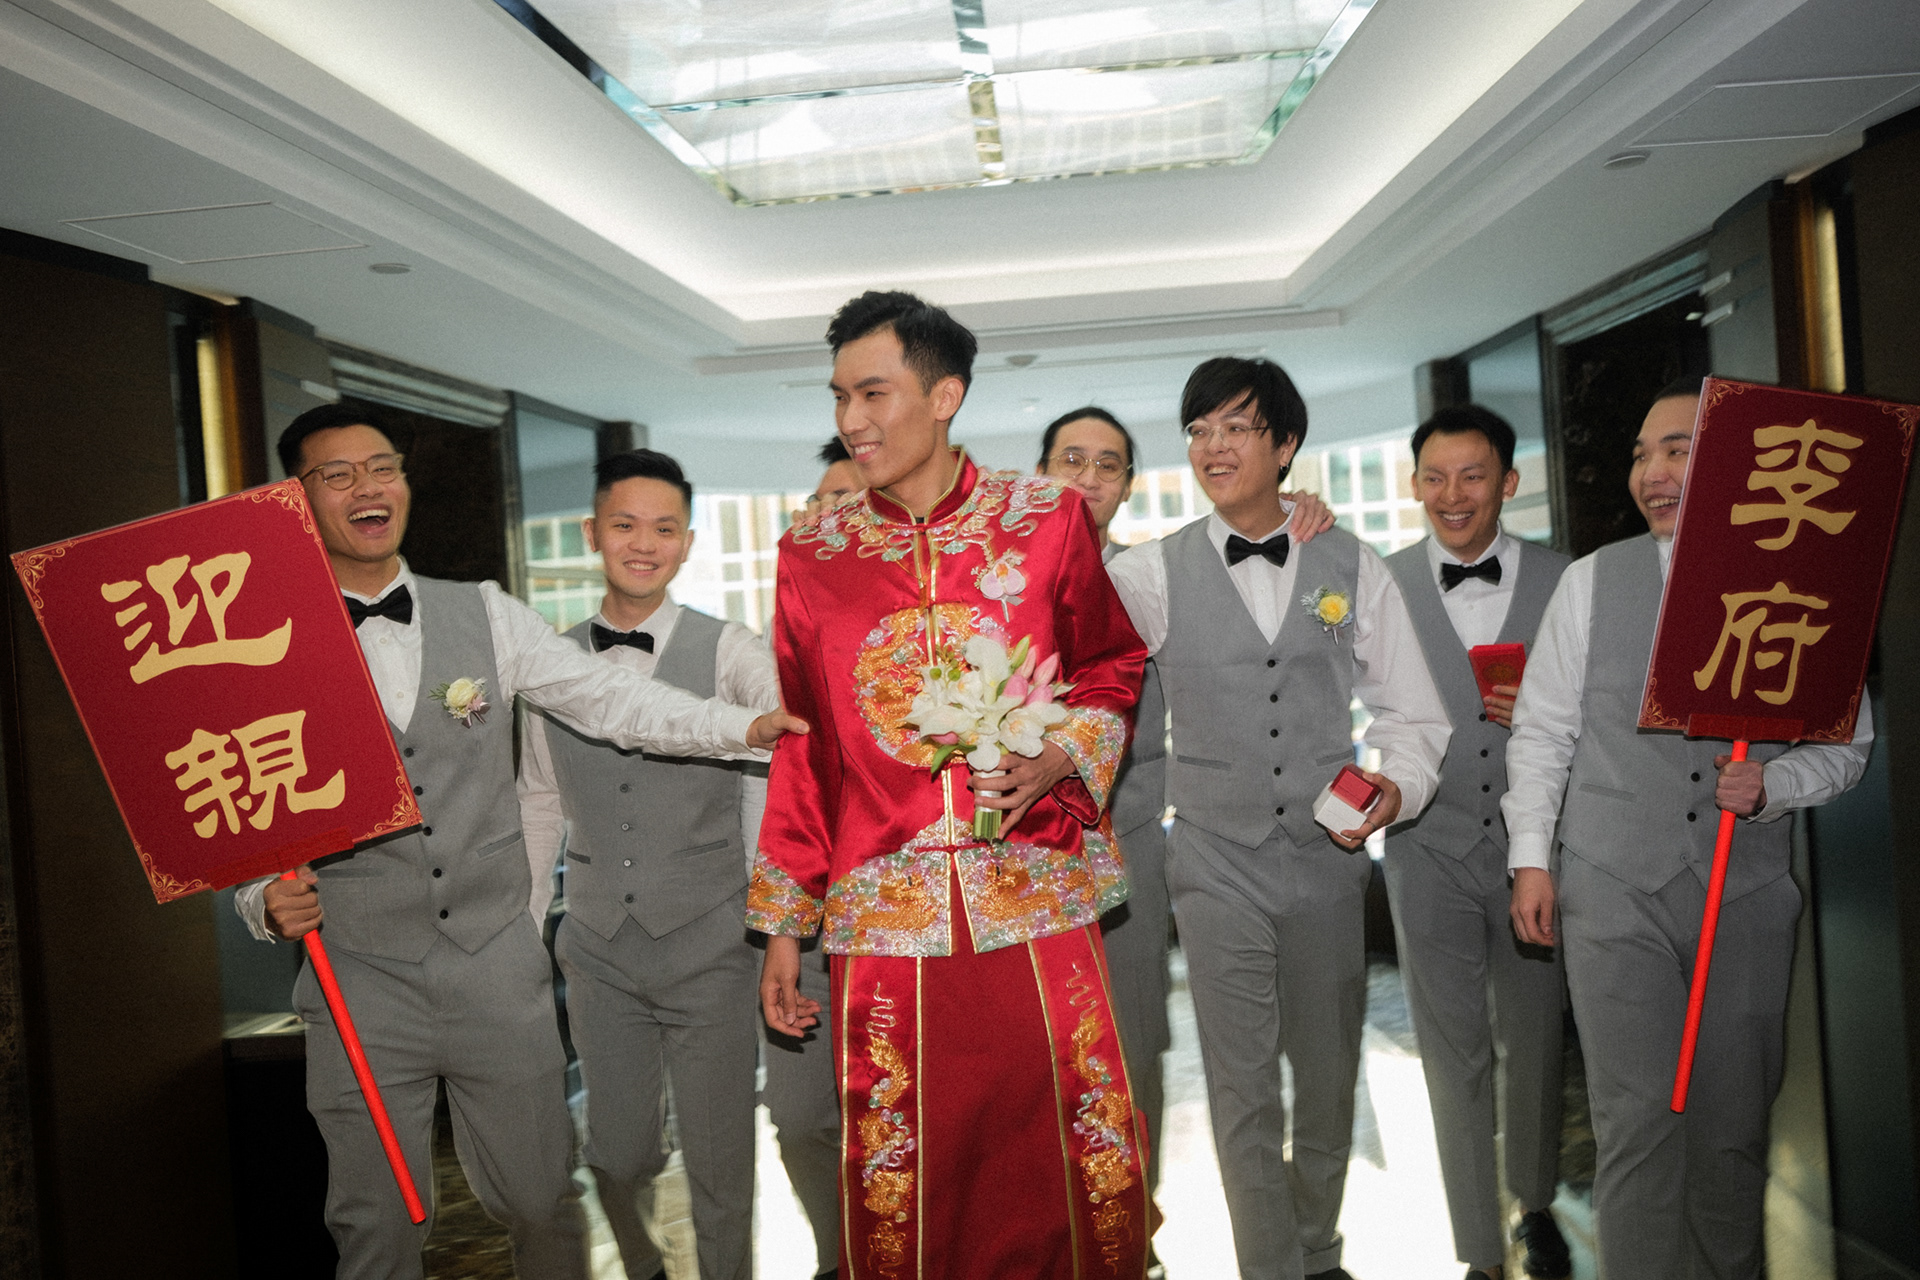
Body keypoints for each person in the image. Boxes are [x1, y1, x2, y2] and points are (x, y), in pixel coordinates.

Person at [235, 404, 801, 1280]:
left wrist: (740, 727)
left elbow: (610, 699)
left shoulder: (487, 614)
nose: (367, 487)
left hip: (494, 971)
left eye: (382, 467)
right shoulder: (254, 645)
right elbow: (225, 816)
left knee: (543, 1205)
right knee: (373, 1225)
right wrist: (258, 903)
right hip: (356, 977)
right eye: (337, 475)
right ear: (296, 499)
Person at [752, 291, 1151, 1279]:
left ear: (944, 395)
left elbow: (1111, 663)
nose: (851, 418)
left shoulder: (1046, 521)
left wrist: (1059, 755)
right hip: (884, 911)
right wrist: (784, 922)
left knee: (1066, 1137)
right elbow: (806, 747)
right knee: (907, 1157)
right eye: (839, 396)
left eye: (873, 392)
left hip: (1035, 891)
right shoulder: (812, 557)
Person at [1503, 377, 1873, 1279]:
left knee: (1731, 1130)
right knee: (1635, 1125)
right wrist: (1531, 860)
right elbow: (1543, 731)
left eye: (1678, 449)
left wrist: (1775, 783)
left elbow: (1848, 746)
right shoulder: (1591, 583)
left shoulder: (1803, 585)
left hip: (1745, 892)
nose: (1652, 472)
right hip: (1610, 882)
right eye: (1641, 454)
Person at [1107, 357, 1451, 1280]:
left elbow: (1412, 711)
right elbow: (1075, 651)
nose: (1213, 447)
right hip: (1212, 858)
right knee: (1242, 1084)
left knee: (1329, 1073)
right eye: (1199, 430)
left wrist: (1397, 786)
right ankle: (1270, 1266)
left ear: (1286, 444)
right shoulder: (1150, 572)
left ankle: (1318, 1245)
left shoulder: (1350, 563)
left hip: (1326, 856)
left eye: (1237, 427)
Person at [1035, 407, 1335, 1273]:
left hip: (1129, 841)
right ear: (1040, 473)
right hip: (1018, 856)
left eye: (1109, 465)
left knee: (1135, 1050)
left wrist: (1292, 510)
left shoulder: (1155, 576)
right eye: (1071, 459)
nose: (1089, 478)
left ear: (1129, 486)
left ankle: (1134, 1232)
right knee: (1035, 1057)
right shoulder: (996, 583)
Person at [517, 449, 779, 1280]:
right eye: (625, 525)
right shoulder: (547, 661)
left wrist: (769, 919)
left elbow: (774, 767)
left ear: (688, 542)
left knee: (721, 1160)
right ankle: (645, 1266)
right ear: (592, 533)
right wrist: (525, 931)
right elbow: (539, 800)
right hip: (599, 947)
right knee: (618, 1154)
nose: (644, 543)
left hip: (712, 942)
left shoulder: (732, 650)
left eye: (664, 529)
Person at [1381, 406, 1572, 1280]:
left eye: (1472, 476)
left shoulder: (1569, 581)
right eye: (1434, 477)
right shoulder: (1379, 584)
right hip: (1425, 846)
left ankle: (1534, 1202)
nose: (1451, 495)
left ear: (1508, 482)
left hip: (1537, 851)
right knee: (1447, 1048)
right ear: (1415, 485)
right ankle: (1476, 1248)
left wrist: (1550, 706)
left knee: (1533, 1038)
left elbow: (1610, 709)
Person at [754, 443, 866, 1280]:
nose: (831, 517)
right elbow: (788, 792)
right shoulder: (777, 636)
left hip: (904, 925)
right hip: (807, 917)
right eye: (822, 502)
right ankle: (838, 1258)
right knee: (800, 1120)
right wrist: (780, 932)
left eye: (850, 502)